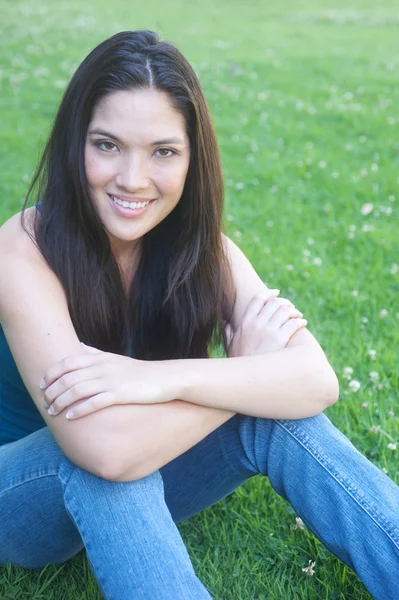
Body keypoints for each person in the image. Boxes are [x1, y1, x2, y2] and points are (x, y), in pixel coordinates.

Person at [0, 30, 397, 600]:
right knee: (108, 461)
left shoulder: (204, 248)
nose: (133, 179)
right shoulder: (23, 248)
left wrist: (158, 380)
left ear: (192, 159)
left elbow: (316, 380)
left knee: (280, 416)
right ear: (74, 144)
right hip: (22, 493)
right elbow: (104, 449)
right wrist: (245, 378)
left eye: (163, 151)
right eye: (107, 145)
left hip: (135, 458)